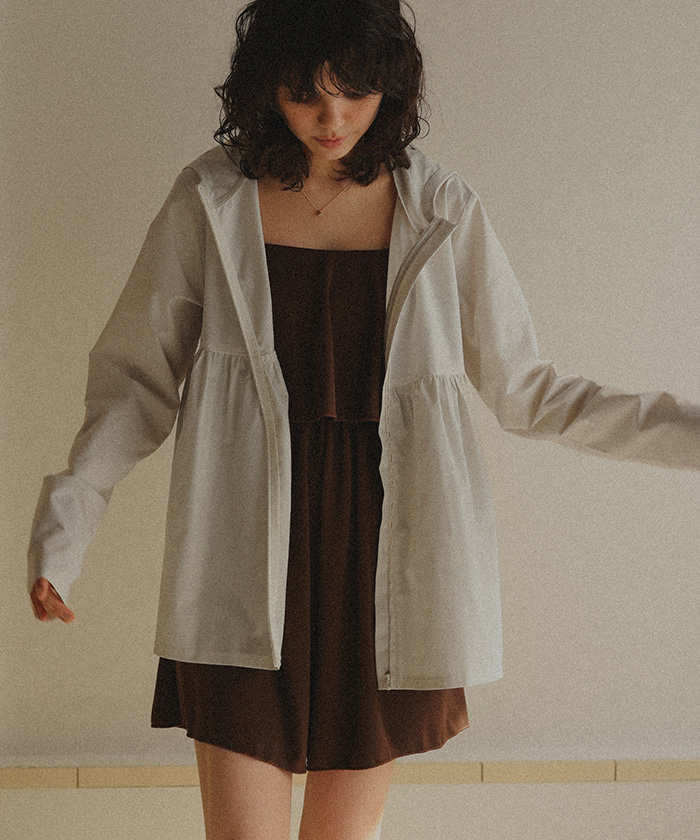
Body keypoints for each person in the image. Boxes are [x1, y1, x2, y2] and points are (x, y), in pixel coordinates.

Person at [26, 1, 700, 838]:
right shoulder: (212, 198)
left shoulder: (442, 208)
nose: (333, 117)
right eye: (306, 92)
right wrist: (65, 529)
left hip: (385, 562)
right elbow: (135, 384)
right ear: (265, 85)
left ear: (391, 86)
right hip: (238, 548)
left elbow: (530, 391)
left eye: (355, 90)